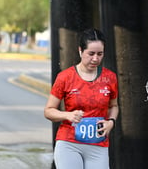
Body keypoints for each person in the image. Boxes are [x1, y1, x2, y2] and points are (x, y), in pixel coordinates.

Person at [44, 28, 119, 169]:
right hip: (69, 143)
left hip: (98, 145)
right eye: (91, 54)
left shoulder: (110, 77)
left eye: (100, 54)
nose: (95, 58)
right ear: (80, 51)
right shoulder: (65, 77)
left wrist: (111, 122)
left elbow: (113, 106)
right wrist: (67, 115)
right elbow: (48, 111)